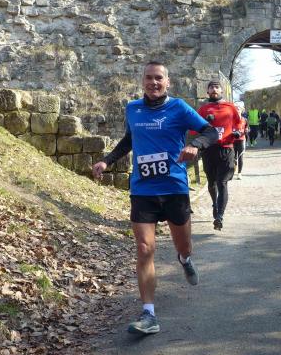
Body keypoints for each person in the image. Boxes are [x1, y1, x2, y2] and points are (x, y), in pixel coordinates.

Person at [92, 61, 218, 335]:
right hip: (143, 190)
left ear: (167, 82)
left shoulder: (179, 108)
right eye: (149, 78)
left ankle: (184, 260)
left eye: (159, 78)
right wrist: (107, 161)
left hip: (174, 188)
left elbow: (211, 131)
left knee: (184, 246)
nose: (153, 82)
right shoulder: (132, 109)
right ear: (142, 81)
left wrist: (195, 145)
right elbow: (129, 140)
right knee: (144, 248)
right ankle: (148, 314)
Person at [197, 80, 242, 231]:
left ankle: (219, 217)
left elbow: (239, 123)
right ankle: (215, 205)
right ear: (207, 91)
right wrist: (204, 123)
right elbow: (194, 129)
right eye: (211, 87)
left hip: (226, 149)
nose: (214, 89)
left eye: (217, 87)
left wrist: (237, 132)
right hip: (209, 150)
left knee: (222, 182)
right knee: (211, 183)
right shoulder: (203, 109)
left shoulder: (230, 107)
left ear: (221, 91)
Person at [233, 115, 248, 180]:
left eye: (239, 110)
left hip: (241, 140)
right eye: (236, 110)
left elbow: (246, 127)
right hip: (233, 140)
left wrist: (246, 130)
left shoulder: (244, 120)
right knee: (233, 157)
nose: (237, 111)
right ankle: (233, 170)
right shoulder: (231, 118)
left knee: (240, 156)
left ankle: (239, 173)